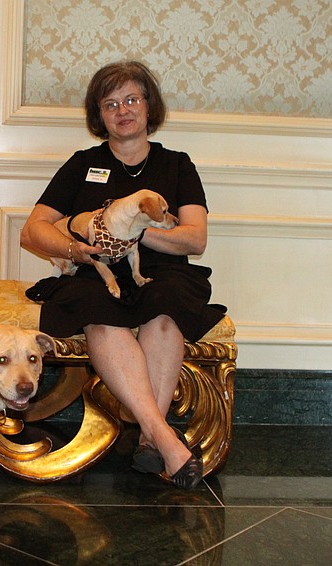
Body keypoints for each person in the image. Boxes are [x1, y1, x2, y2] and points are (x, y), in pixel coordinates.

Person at [20, 61, 226, 490]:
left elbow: (195, 239)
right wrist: (72, 246)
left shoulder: (177, 165)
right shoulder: (83, 164)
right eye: (110, 103)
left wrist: (134, 229)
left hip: (161, 273)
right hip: (97, 274)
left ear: (149, 106)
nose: (123, 110)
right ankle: (163, 437)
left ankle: (152, 437)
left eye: (132, 99)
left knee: (164, 308)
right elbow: (33, 230)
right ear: (100, 115)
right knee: (99, 308)